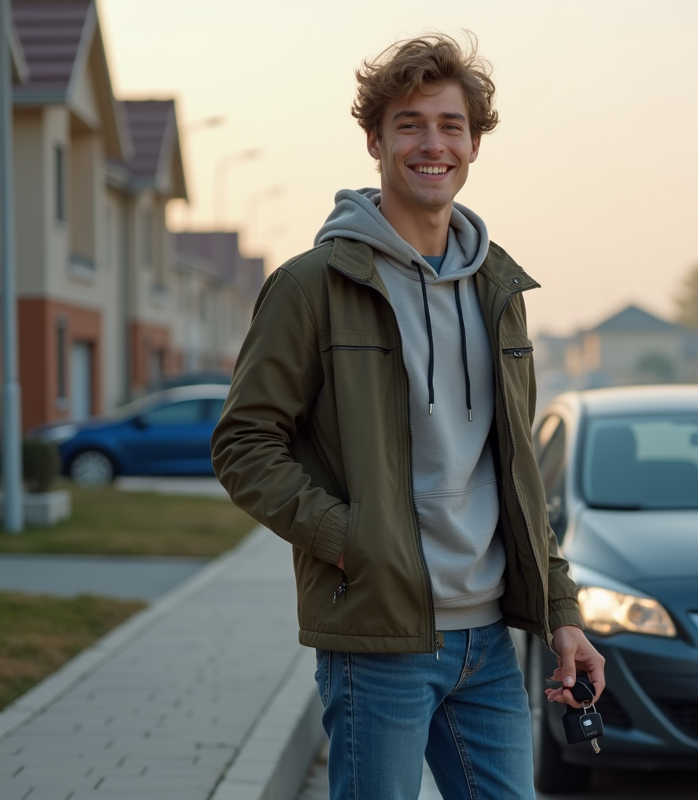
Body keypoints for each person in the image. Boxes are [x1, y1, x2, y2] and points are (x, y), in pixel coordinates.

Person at [211, 33, 605, 800]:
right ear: (375, 140)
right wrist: (352, 541)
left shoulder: (500, 287)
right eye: (411, 123)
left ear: (474, 143)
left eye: (451, 125)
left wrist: (561, 609)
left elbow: (518, 466)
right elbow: (244, 444)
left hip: (490, 640)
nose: (433, 144)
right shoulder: (314, 285)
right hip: (379, 636)